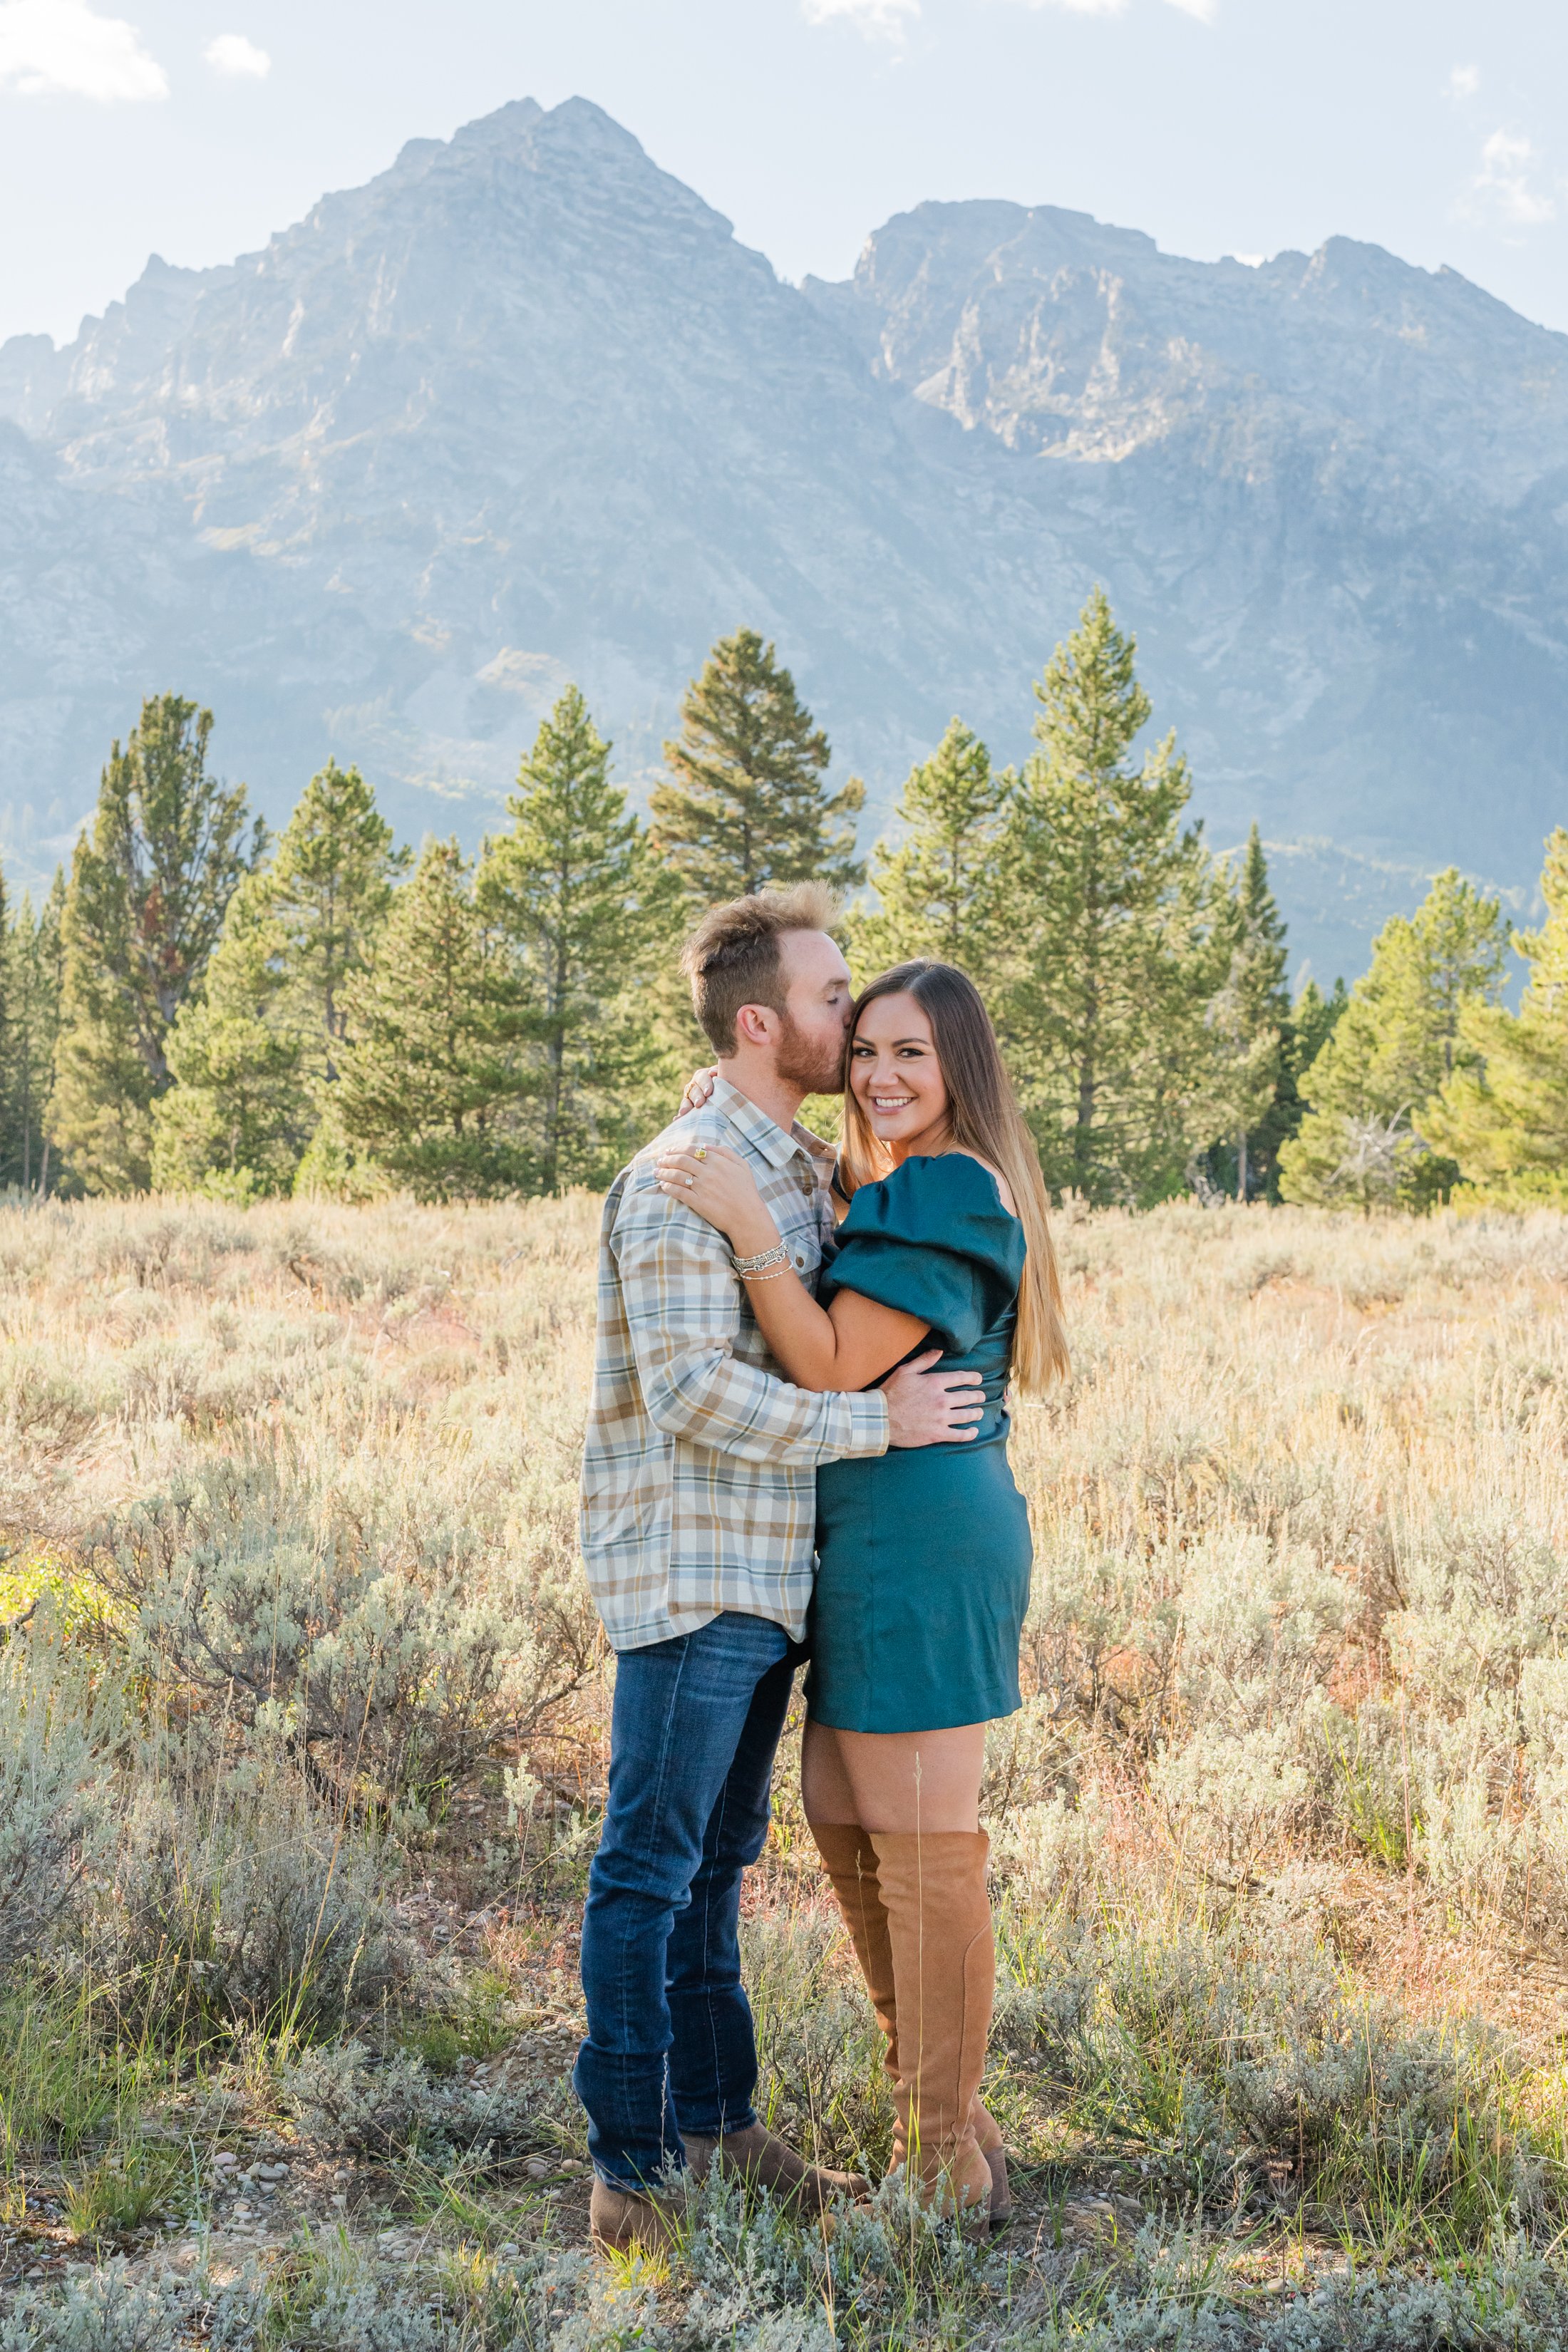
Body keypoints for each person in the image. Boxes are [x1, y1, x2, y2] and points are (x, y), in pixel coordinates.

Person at [575, 889, 987, 2256]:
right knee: (649, 1870)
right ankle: (632, 2175)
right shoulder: (683, 1178)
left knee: (714, 1870)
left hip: (772, 1582)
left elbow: (859, 1223)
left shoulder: (794, 1170)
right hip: (697, 1578)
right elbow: (695, 1391)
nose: (852, 1023)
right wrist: (876, 1424)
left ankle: (720, 2127)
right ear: (761, 1023)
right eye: (831, 1001)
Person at [655, 957, 1069, 2228]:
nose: (882, 1076)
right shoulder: (905, 1185)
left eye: (913, 1056)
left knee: (927, 1846)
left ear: (962, 1070)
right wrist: (738, 1121)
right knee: (846, 1815)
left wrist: (750, 1227)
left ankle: (934, 2166)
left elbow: (835, 1361)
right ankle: (958, 2130)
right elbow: (850, 1250)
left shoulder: (947, 1188)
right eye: (869, 1049)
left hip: (923, 1539)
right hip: (878, 1537)